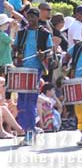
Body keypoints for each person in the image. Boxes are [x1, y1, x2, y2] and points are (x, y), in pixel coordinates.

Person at [13, 8, 52, 146]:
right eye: (28, 17)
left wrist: (44, 55)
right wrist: (16, 53)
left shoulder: (44, 33)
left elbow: (50, 51)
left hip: (35, 71)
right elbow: (15, 47)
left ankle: (29, 132)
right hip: (21, 70)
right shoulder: (22, 32)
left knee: (30, 101)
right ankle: (29, 128)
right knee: (21, 102)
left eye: (32, 17)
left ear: (37, 18)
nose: (29, 20)